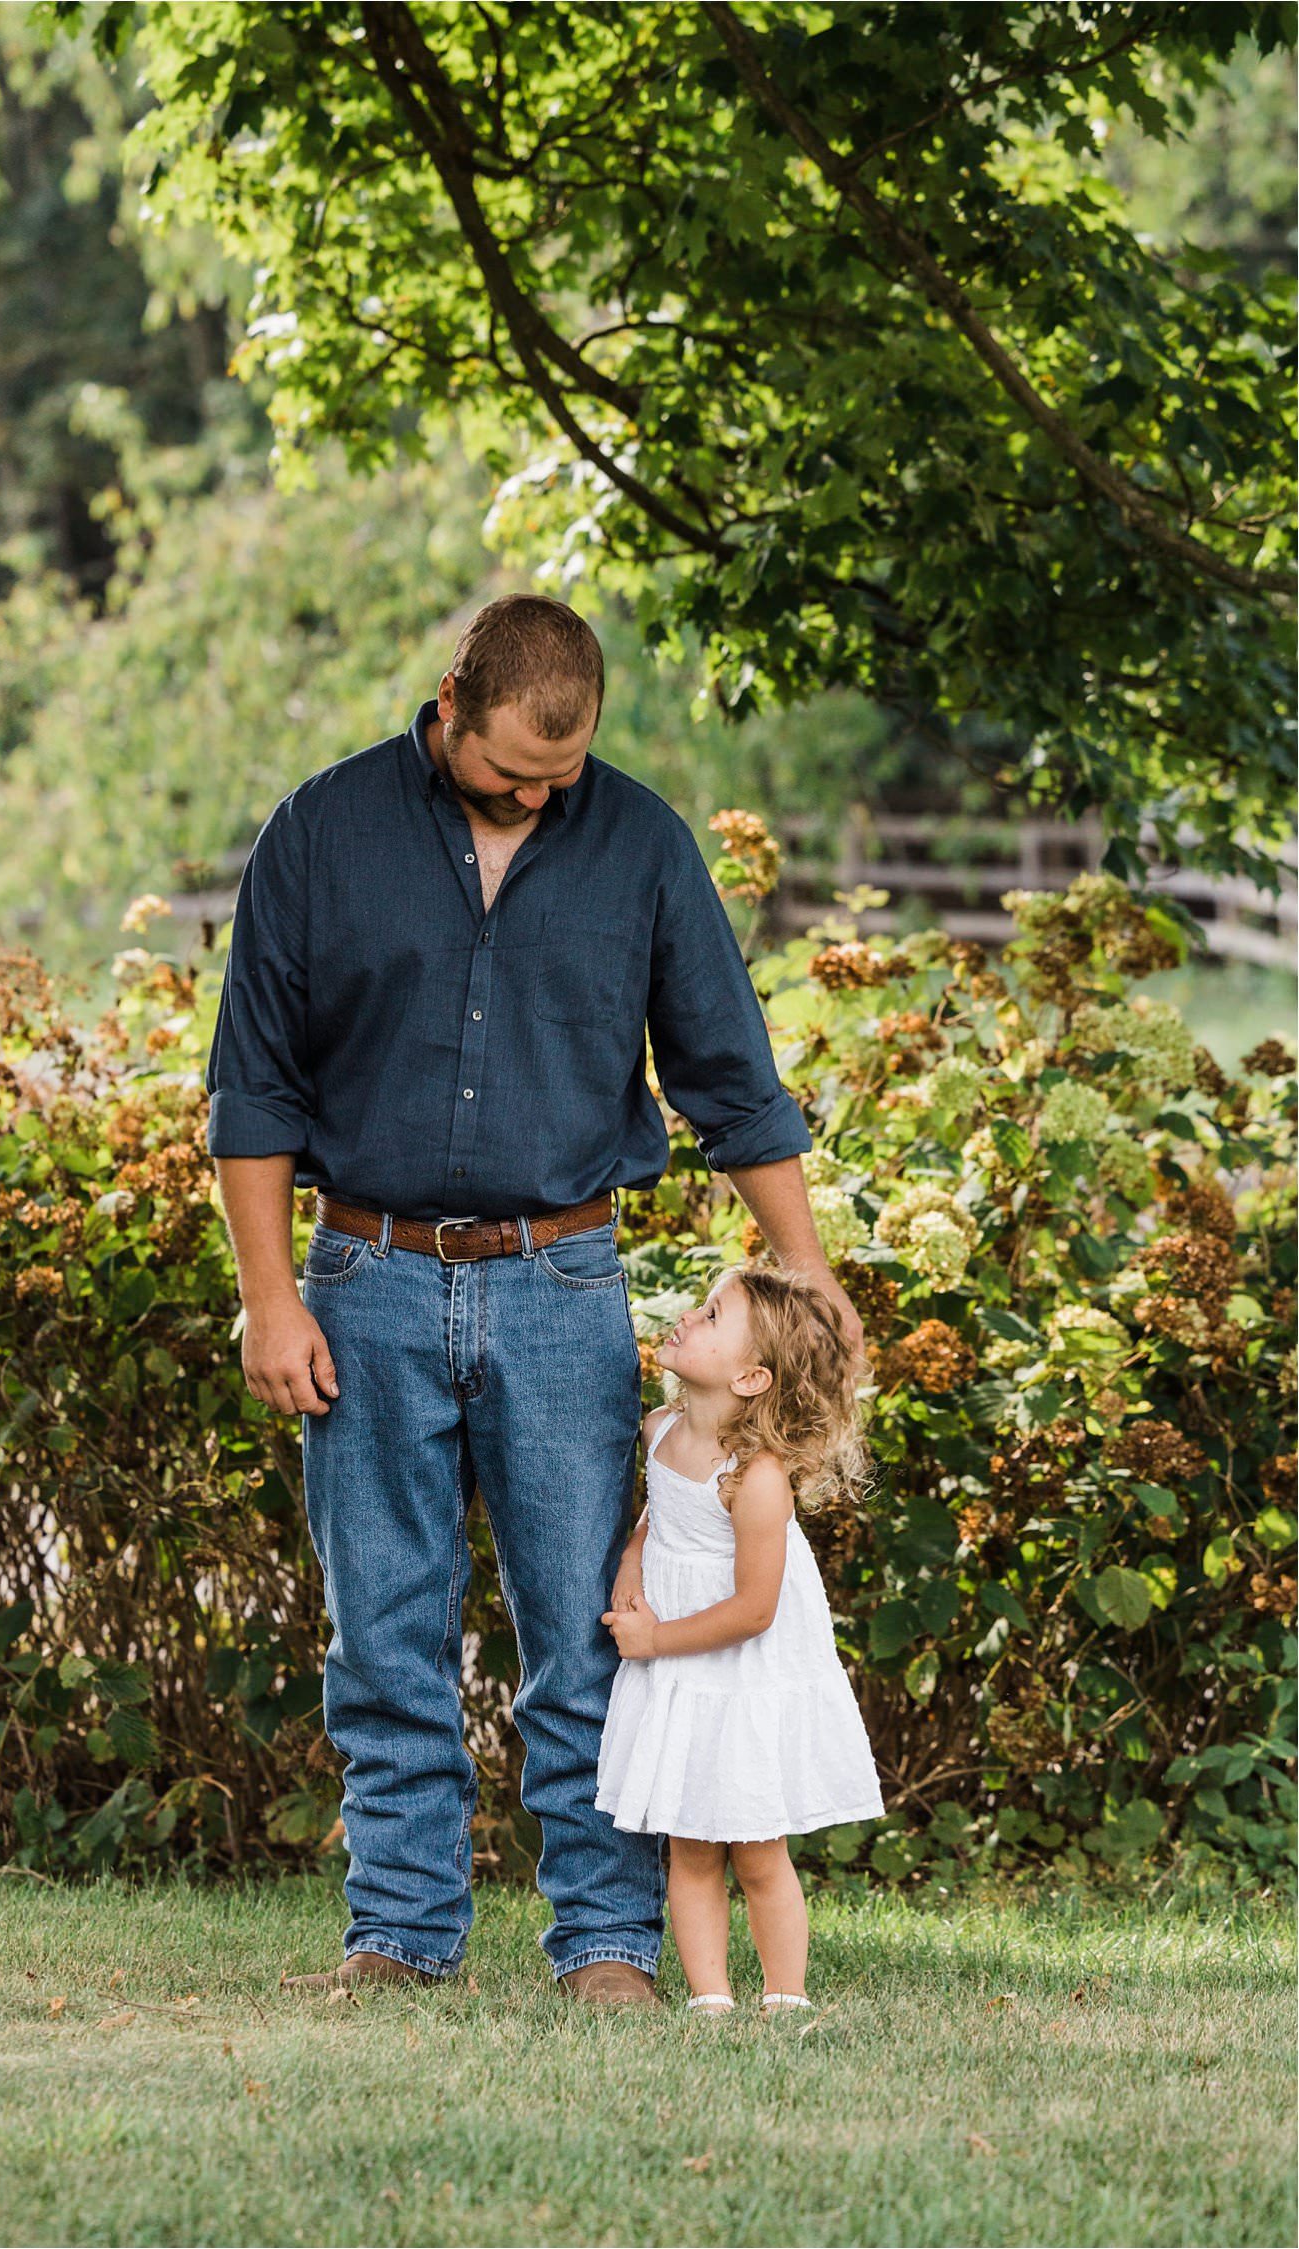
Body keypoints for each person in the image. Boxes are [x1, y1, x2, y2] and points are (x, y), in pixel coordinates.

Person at [204, 592, 864, 2007]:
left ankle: (612, 1944)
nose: (536, 793)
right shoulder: (320, 834)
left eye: (561, 774)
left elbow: (730, 1076)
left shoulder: (639, 846)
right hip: (364, 1277)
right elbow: (251, 1086)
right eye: (513, 768)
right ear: (451, 700)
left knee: (589, 1629)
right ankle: (399, 1931)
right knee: (384, 1628)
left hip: (564, 1284)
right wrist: (272, 1299)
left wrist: (803, 1266)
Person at [597, 1261, 884, 2015]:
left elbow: (755, 1607)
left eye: (713, 1316)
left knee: (756, 1849)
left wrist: (655, 1641)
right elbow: (658, 1516)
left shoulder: (755, 1476)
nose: (689, 1316)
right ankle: (711, 1998)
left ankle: (785, 1995)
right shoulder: (658, 1432)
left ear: (753, 1378)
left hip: (739, 1665)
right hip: (684, 1668)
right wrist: (632, 1557)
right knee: (690, 1843)